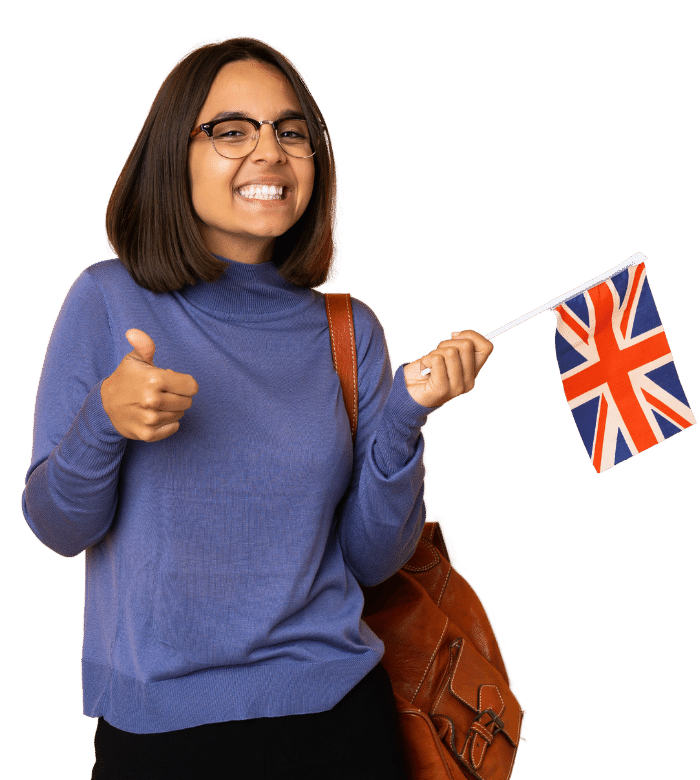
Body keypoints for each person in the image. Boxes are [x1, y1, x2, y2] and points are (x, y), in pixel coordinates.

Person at [20, 33, 493, 779]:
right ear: (175, 153)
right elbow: (56, 524)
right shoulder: (106, 301)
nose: (270, 151)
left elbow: (371, 560)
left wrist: (407, 413)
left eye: (291, 131)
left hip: (340, 719)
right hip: (164, 736)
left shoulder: (350, 329)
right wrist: (103, 423)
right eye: (232, 130)